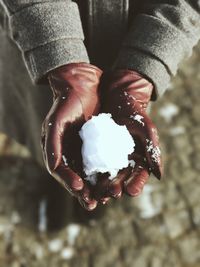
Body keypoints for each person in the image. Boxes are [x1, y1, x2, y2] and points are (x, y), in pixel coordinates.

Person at [0, 0, 200, 211]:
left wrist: (146, 64)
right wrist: (58, 49)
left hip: (135, 35)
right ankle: (50, 177)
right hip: (38, 41)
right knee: (46, 128)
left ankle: (86, 191)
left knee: (71, 142)